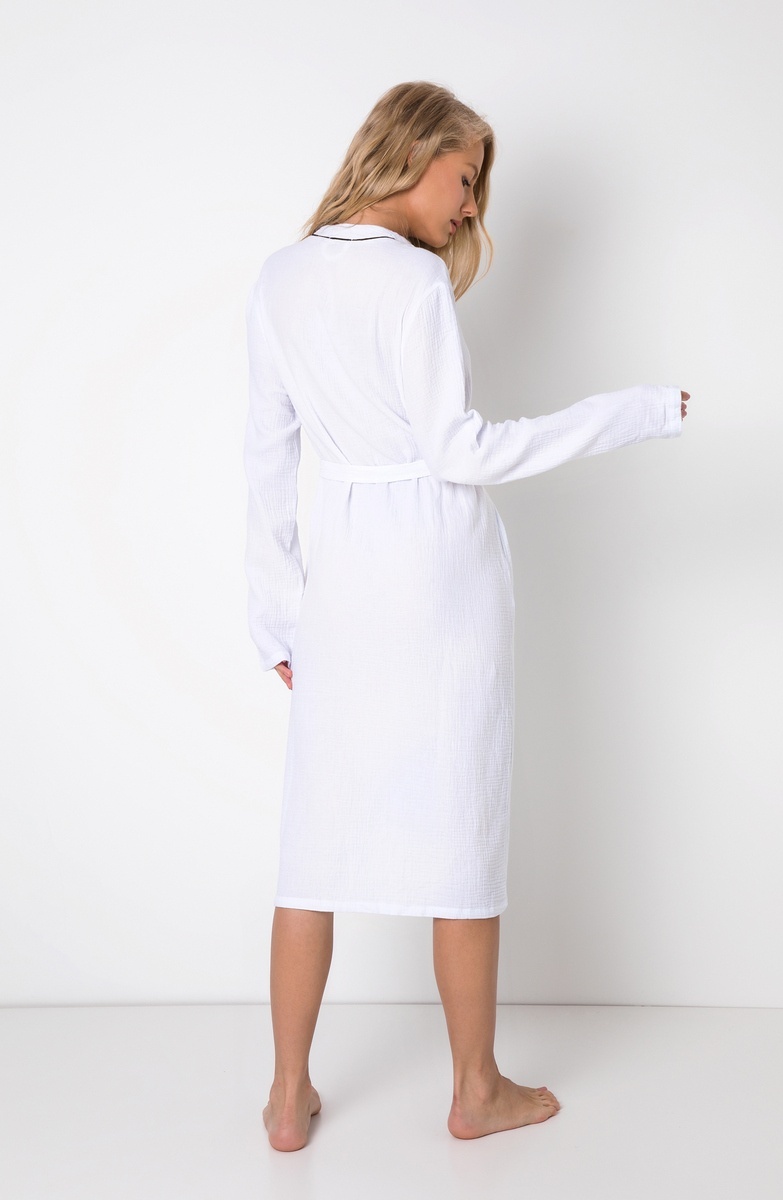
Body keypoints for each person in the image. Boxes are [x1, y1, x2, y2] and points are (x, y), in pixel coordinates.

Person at [243, 80, 689, 1152]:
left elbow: (266, 458)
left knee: (313, 847)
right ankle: (474, 1090)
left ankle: (287, 1095)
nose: (472, 204)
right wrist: (630, 413)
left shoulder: (280, 277)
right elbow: (460, 452)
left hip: (342, 586)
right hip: (441, 580)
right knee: (462, 828)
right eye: (464, 175)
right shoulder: (410, 284)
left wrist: (276, 620)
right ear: (409, 152)